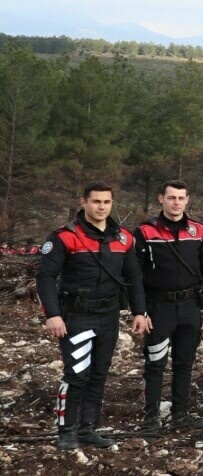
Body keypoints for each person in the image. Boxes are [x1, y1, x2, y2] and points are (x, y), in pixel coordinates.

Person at [37, 182, 150, 449]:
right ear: (84, 202)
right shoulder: (64, 236)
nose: (101, 207)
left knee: (99, 374)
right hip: (77, 316)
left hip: (109, 316)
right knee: (77, 374)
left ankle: (88, 429)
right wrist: (52, 315)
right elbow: (45, 277)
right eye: (96, 201)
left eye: (106, 202)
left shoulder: (123, 237)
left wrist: (140, 312)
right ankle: (66, 431)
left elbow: (133, 277)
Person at [134, 181, 203, 436]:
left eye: (181, 198)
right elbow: (135, 276)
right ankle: (151, 417)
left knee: (185, 363)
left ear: (187, 200)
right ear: (161, 199)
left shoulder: (199, 231)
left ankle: (180, 414)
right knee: (155, 363)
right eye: (171, 197)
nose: (176, 202)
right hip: (158, 308)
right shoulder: (145, 232)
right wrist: (140, 310)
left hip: (191, 307)